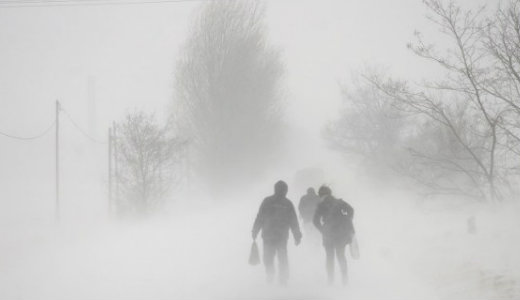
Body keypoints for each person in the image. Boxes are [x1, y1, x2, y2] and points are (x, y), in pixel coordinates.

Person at [252, 180, 302, 285]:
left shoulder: (267, 201)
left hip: (269, 235)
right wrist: (297, 235)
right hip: (281, 236)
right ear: (285, 190)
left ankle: (271, 275)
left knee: (268, 257)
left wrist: (255, 230)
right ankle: (282, 279)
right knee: (282, 257)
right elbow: (293, 221)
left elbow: (260, 217)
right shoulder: (287, 203)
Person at [313, 185, 355, 285]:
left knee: (329, 257)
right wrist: (347, 219)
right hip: (341, 233)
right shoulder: (339, 202)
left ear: (321, 195)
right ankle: (344, 279)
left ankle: (330, 280)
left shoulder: (321, 205)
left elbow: (315, 220)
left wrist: (322, 229)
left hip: (328, 234)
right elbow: (351, 210)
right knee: (341, 255)